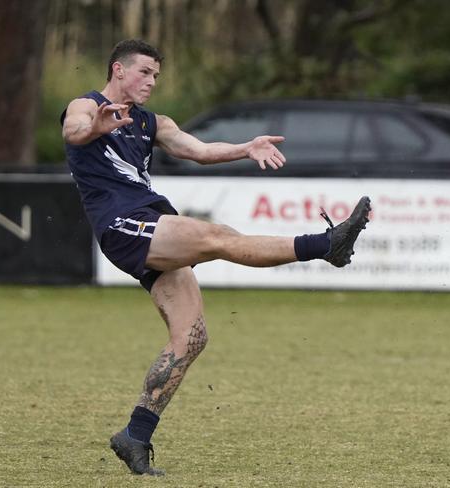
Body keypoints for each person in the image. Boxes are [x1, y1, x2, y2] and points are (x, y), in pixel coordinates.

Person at [61, 39, 371, 476]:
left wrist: (245, 148)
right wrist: (96, 124)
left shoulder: (152, 122)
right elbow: (73, 132)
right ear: (118, 69)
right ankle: (326, 245)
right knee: (218, 236)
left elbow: (199, 150)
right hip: (122, 225)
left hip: (150, 219)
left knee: (191, 337)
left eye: (156, 75)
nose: (151, 81)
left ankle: (134, 435)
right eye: (145, 72)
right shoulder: (85, 106)